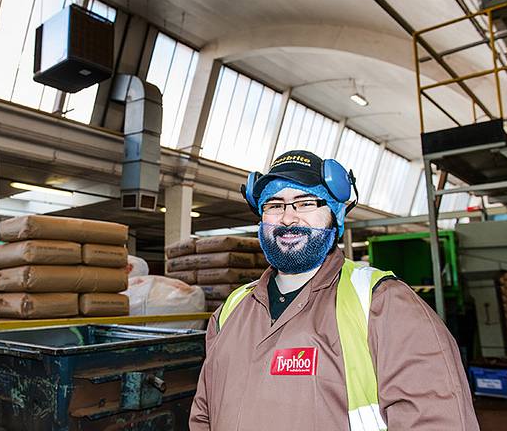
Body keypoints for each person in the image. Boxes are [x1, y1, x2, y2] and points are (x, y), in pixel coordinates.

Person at [189, 150, 479, 430]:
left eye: (306, 203)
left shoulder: (383, 303)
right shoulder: (231, 309)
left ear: (336, 215)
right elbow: (204, 414)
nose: (288, 218)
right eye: (274, 205)